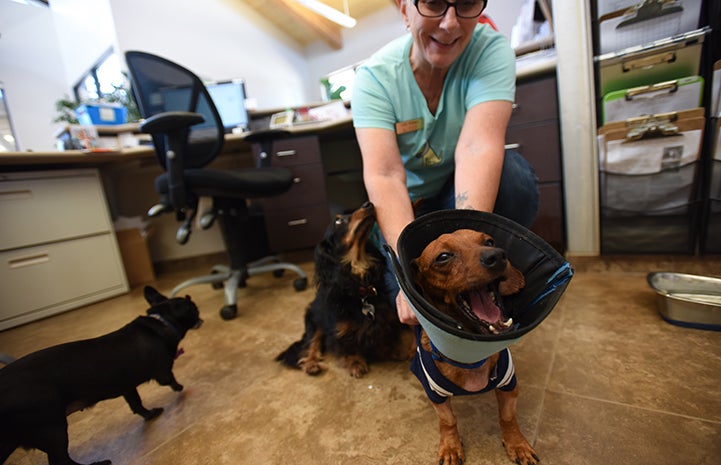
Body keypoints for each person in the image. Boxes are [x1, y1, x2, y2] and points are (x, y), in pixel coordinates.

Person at [351, 0, 539, 324]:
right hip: (410, 209)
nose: (450, 23)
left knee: (514, 177)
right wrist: (409, 274)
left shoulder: (490, 50)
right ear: (403, 9)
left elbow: (478, 148)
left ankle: (497, 291)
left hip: (459, 193)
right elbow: (385, 176)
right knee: (409, 305)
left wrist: (472, 263)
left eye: (466, 3)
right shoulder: (374, 78)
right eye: (434, 3)